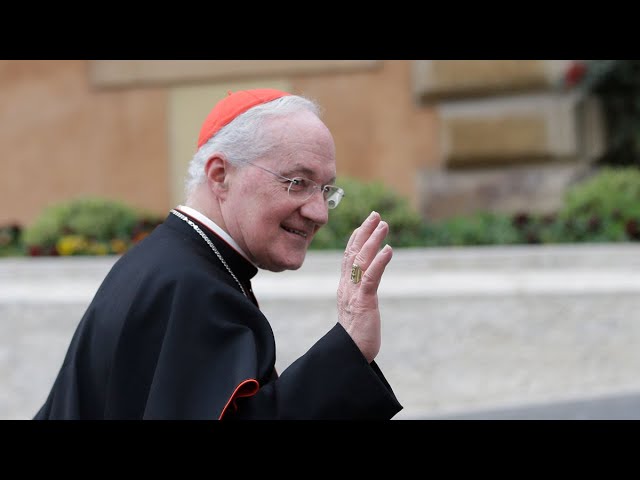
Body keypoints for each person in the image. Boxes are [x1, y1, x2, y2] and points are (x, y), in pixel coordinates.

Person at [33, 88, 402, 420]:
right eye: (297, 182)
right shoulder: (189, 288)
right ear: (220, 175)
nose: (319, 213)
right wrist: (349, 348)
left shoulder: (177, 265)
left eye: (325, 190)